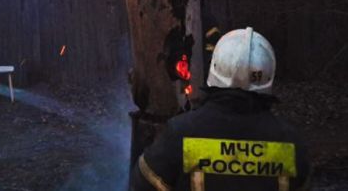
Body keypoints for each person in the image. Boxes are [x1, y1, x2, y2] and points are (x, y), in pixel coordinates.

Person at [131, 27, 310, 191]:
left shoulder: (180, 133)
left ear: (215, 69)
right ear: (268, 77)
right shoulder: (292, 143)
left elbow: (142, 186)